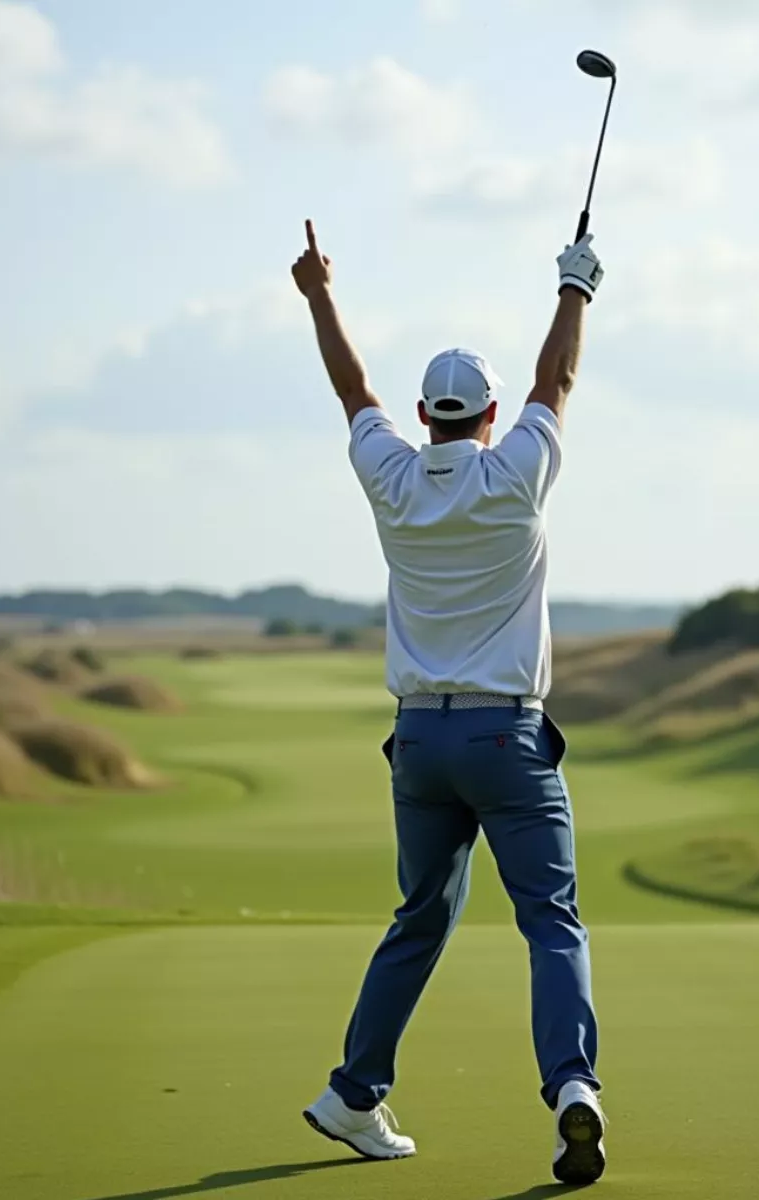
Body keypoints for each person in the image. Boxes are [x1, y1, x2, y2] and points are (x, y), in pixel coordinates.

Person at [290, 218, 607, 1186]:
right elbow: (558, 384)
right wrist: (576, 287)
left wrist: (319, 294)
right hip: (505, 739)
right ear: (488, 414)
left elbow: (352, 390)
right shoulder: (516, 472)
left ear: (426, 416)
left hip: (420, 743)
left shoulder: (389, 475)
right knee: (549, 919)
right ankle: (572, 1090)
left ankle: (353, 1092)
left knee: (419, 917)